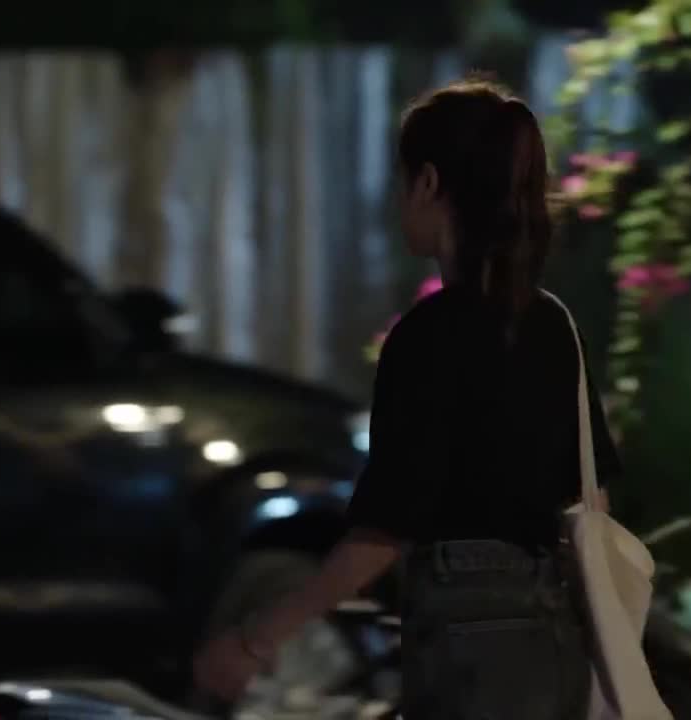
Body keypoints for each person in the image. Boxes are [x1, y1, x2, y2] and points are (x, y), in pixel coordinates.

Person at [192, 77, 622, 719]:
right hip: (552, 634)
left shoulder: (427, 337)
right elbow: (592, 499)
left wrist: (258, 637)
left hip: (469, 640)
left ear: (427, 183)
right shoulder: (555, 327)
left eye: (401, 182)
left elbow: (386, 526)